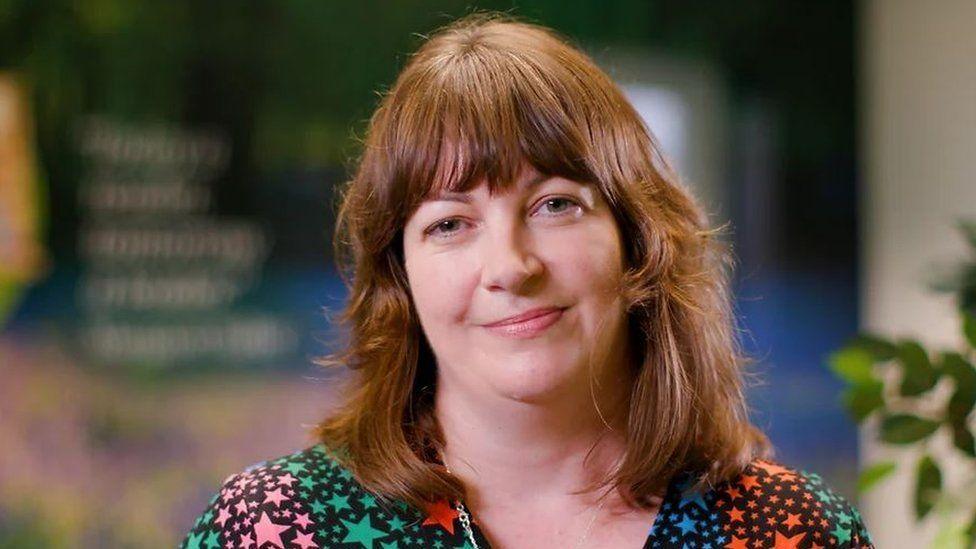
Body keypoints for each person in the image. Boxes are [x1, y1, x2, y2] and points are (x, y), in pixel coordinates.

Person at [181, 12, 873, 549]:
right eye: (450, 223)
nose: (511, 266)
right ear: (400, 277)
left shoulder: (796, 531)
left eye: (555, 205)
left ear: (637, 242)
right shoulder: (273, 528)